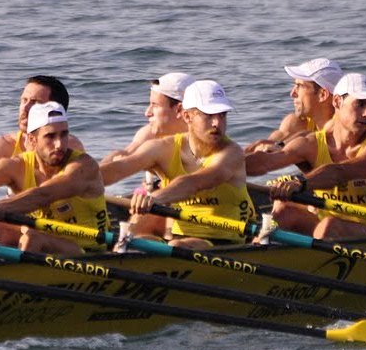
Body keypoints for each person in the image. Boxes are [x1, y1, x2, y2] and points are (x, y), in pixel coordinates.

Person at [105, 80, 258, 248]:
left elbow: (194, 183)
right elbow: (119, 169)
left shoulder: (231, 153)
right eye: (208, 115)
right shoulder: (164, 148)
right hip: (178, 238)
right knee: (132, 244)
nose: (217, 123)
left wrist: (154, 198)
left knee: (177, 245)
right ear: (187, 116)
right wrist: (86, 177)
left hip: (225, 241)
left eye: (222, 115)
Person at [257, 73, 366, 239]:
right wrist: (235, 166)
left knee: (330, 224)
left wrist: (300, 183)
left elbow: (339, 173)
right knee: (283, 211)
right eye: (360, 104)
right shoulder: (314, 142)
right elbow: (268, 161)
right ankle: (256, 248)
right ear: (337, 101)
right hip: (325, 228)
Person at [0, 101, 109, 255]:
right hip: (46, 242)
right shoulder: (16, 166)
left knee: (33, 238)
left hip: (88, 250)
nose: (59, 144)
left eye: (64, 134)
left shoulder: (83, 166)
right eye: (50, 136)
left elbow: (43, 195)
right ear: (32, 139)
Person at [97, 72, 194, 237]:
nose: (147, 113)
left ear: (179, 110)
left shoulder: (204, 141)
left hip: (195, 204)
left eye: (155, 105)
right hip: (160, 196)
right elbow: (122, 157)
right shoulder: (150, 134)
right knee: (136, 227)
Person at [0, 75, 82, 177]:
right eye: (24, 100)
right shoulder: (5, 145)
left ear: (56, 111)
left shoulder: (69, 146)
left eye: (35, 102)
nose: (25, 108)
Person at [246, 57, 343, 151]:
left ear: (322, 95)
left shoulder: (345, 130)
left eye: (299, 86)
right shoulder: (296, 123)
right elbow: (267, 146)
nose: (292, 93)